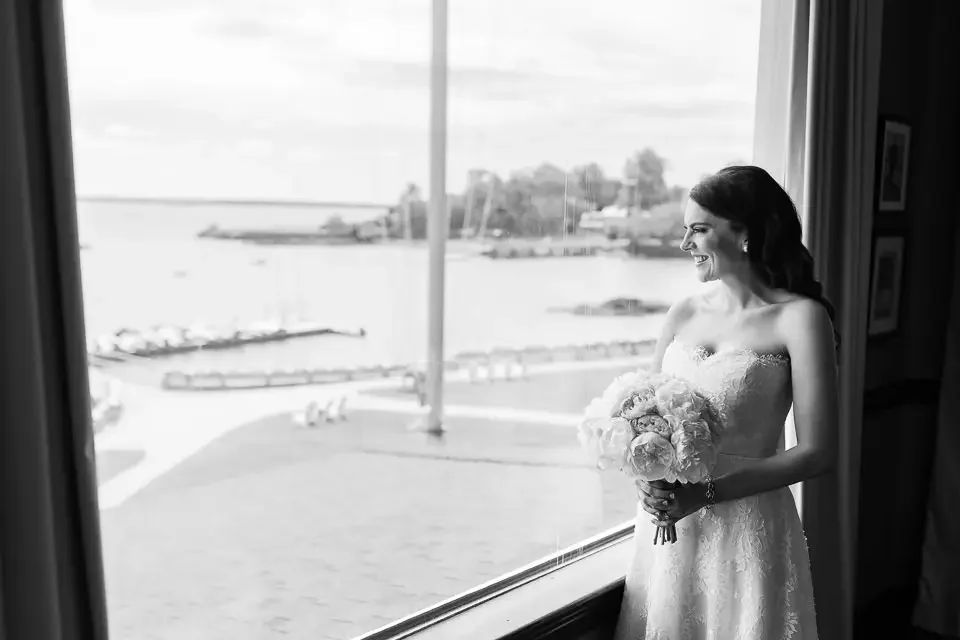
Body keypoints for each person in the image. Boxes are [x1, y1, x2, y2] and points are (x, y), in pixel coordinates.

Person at [613, 165, 838, 639]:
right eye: (686, 230)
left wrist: (705, 494)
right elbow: (644, 416)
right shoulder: (682, 312)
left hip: (749, 533)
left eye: (698, 229)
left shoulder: (800, 319)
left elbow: (818, 452)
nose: (685, 244)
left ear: (745, 233)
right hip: (670, 537)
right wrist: (648, 483)